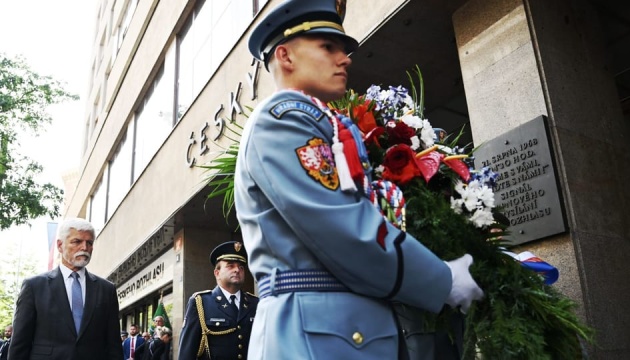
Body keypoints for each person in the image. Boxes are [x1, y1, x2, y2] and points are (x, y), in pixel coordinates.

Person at [235, 0, 484, 359]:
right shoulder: (282, 120)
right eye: (327, 47)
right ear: (285, 56)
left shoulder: (317, 122)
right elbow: (342, 226)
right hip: (316, 333)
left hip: (337, 330)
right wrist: (441, 278)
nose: (345, 58)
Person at [9, 218, 124, 360]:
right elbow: (20, 343)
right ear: (59, 245)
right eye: (77, 242)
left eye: (89, 243)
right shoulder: (34, 286)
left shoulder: (106, 290)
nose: (84, 247)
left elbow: (113, 345)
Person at [178, 241, 259, 360]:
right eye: (230, 265)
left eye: (241, 267)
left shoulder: (255, 303)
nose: (237, 270)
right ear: (217, 273)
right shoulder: (201, 303)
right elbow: (187, 352)